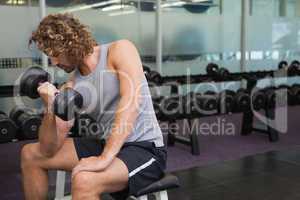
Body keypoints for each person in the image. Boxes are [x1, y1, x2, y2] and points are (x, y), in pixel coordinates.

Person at [21, 13, 166, 200]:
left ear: (71, 43)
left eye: (55, 54)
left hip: (144, 148)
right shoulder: (72, 86)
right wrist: (51, 106)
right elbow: (49, 148)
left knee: (84, 179)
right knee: (31, 154)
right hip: (108, 144)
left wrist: (104, 158)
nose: (54, 63)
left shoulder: (120, 50)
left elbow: (131, 101)